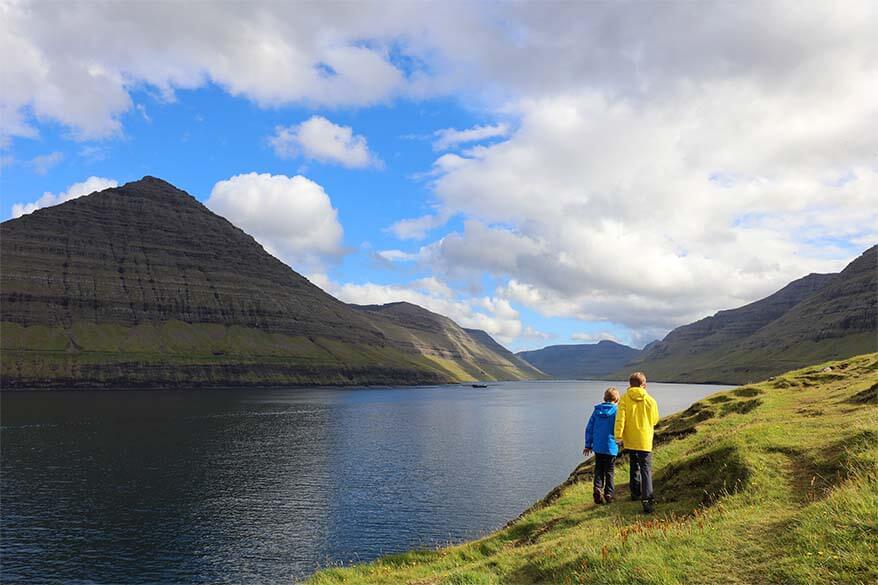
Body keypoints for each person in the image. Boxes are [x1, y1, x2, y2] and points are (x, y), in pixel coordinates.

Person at [614, 372, 660, 513]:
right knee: (646, 469)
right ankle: (647, 499)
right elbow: (655, 420)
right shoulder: (650, 400)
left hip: (631, 439)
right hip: (644, 439)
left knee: (634, 465)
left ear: (630, 384)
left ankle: (635, 493)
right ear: (643, 384)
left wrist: (618, 436)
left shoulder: (624, 399)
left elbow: (620, 419)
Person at [583, 387, 620, 504]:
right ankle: (608, 494)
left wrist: (588, 445)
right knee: (609, 471)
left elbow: (589, 428)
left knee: (598, 469)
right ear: (617, 399)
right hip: (611, 446)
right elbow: (621, 426)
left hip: (598, 446)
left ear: (604, 398)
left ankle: (597, 488)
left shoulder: (597, 411)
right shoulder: (617, 411)